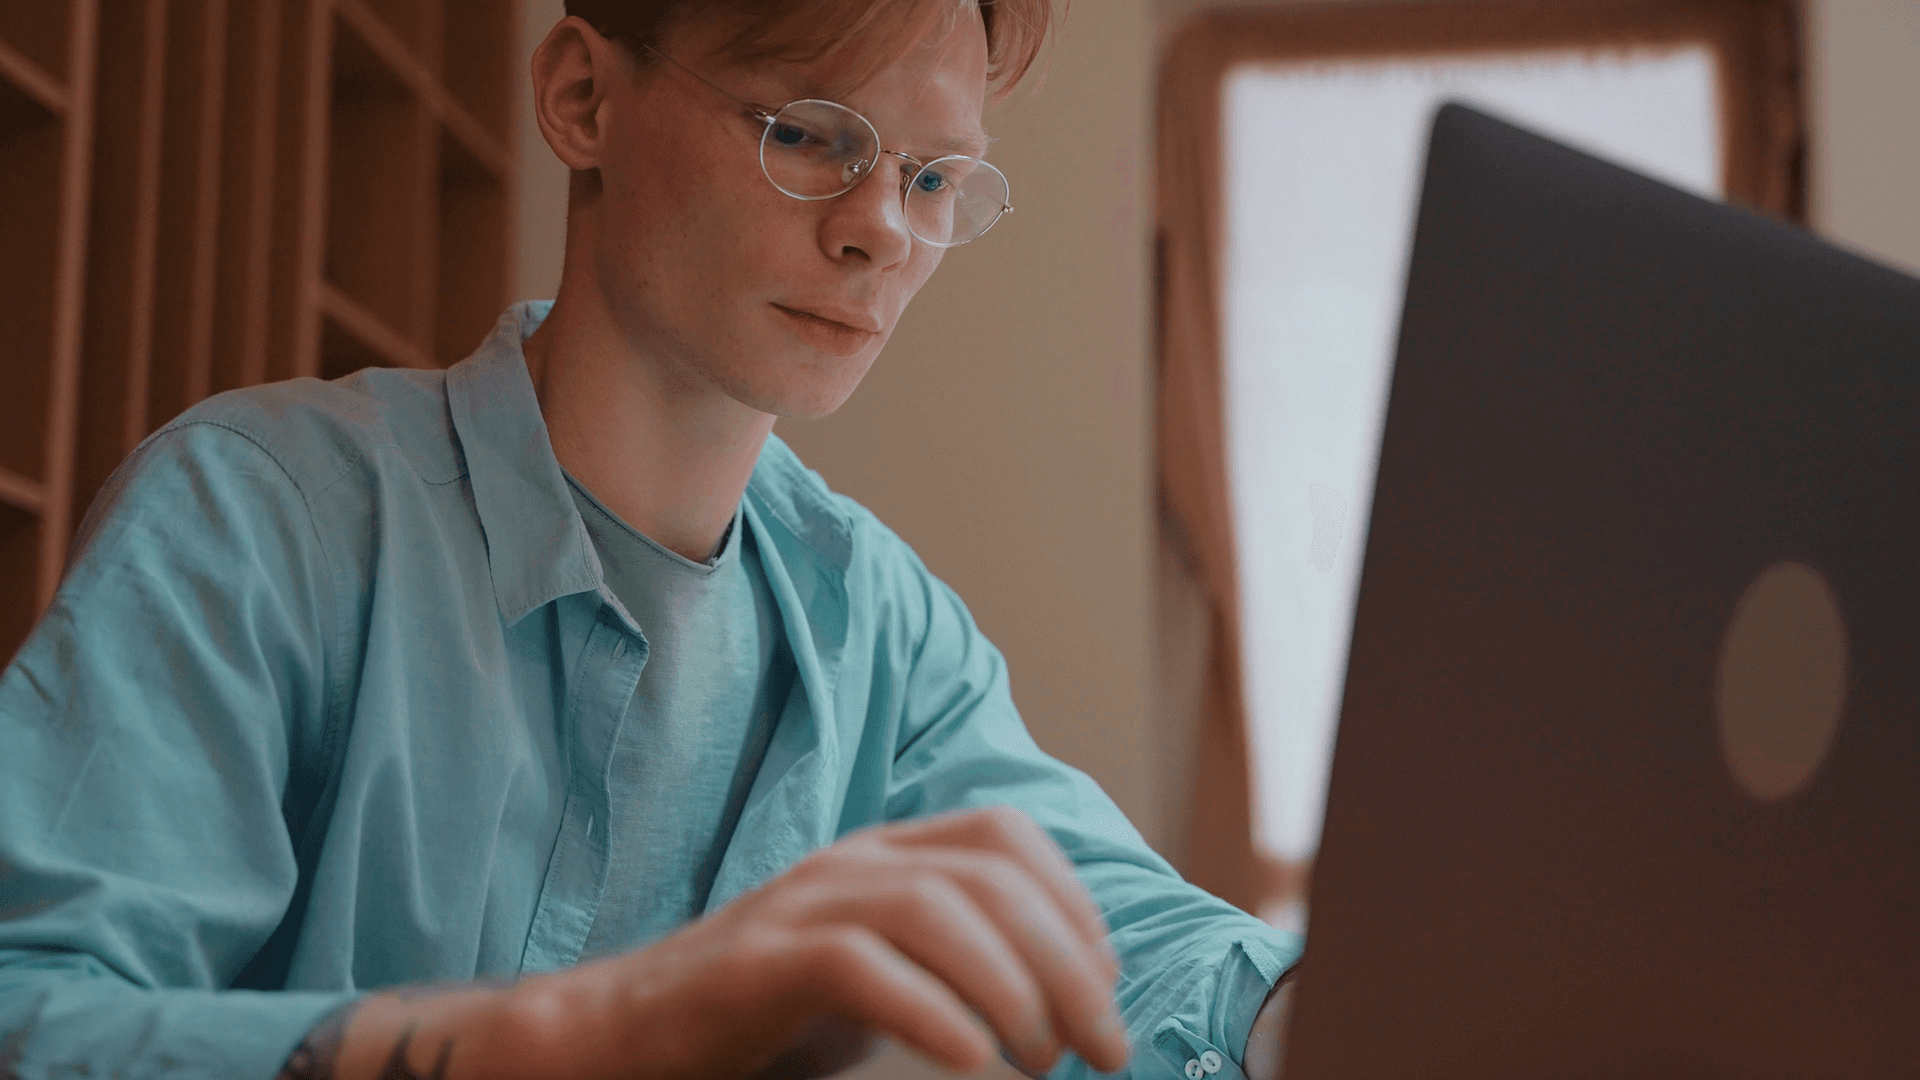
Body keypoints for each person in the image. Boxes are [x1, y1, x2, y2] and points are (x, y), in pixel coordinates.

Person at [0, 2, 1302, 1077]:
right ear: (582, 97)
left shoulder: (884, 632)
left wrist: (1329, 1014)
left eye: (931, 177)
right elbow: (34, 1018)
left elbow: (1146, 947)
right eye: (807, 133)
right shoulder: (260, 515)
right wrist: (581, 1037)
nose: (880, 230)